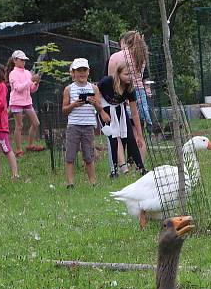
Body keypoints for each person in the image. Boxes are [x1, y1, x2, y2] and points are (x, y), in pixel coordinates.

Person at [61, 58, 107, 188]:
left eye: (84, 70)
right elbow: (64, 110)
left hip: (88, 126)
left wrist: (94, 103)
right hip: (73, 126)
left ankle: (93, 182)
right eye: (78, 70)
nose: (82, 73)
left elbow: (99, 108)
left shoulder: (94, 88)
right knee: (70, 154)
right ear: (73, 73)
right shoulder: (69, 89)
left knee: (89, 155)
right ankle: (70, 183)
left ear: (88, 72)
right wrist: (74, 105)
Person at [108, 31, 151, 166]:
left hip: (123, 94)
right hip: (140, 95)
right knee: (138, 132)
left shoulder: (117, 56)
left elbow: (111, 80)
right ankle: (140, 165)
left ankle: (122, 167)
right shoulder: (141, 56)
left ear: (125, 42)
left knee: (119, 133)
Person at [97, 62, 146, 178]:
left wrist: (139, 134)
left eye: (132, 74)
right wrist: (101, 112)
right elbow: (95, 94)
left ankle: (141, 168)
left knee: (131, 139)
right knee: (113, 140)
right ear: (118, 74)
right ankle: (114, 171)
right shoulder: (107, 81)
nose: (129, 77)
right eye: (126, 74)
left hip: (120, 110)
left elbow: (134, 113)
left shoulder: (130, 88)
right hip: (105, 110)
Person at [5, 50, 42, 156]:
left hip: (27, 101)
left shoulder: (27, 73)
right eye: (21, 60)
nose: (23, 62)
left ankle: (30, 145)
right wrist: (31, 80)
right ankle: (18, 150)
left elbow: (31, 89)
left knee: (36, 123)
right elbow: (18, 88)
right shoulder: (13, 73)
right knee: (19, 125)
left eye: (24, 60)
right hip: (16, 102)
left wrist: (36, 83)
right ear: (15, 60)